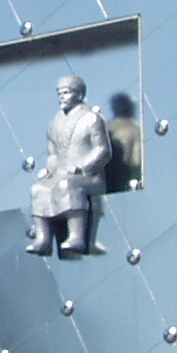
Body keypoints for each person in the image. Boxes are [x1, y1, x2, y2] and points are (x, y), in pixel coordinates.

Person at [26, 76, 111, 258]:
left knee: (67, 185)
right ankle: (43, 239)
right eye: (60, 93)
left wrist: (83, 167)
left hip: (89, 177)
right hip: (61, 174)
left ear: (79, 95)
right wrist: (49, 170)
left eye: (66, 93)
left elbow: (103, 150)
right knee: (38, 189)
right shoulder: (54, 123)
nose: (62, 97)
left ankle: (76, 237)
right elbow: (53, 154)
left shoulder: (92, 119)